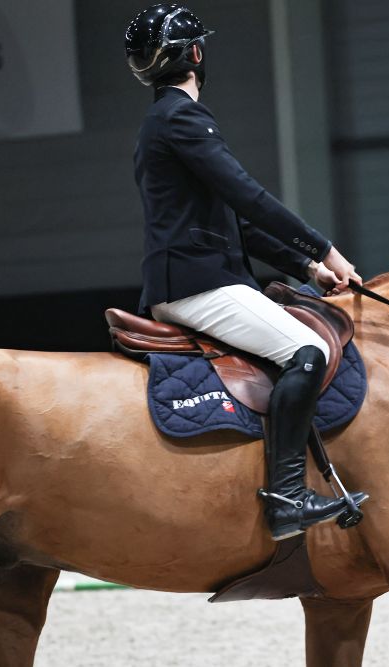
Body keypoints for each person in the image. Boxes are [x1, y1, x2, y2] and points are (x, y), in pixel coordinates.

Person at [124, 5, 366, 540]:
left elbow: (231, 222)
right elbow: (249, 197)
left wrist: (303, 266)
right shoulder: (182, 119)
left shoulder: (160, 123)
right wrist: (328, 250)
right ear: (196, 54)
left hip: (191, 277)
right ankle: (286, 498)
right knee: (309, 351)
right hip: (199, 285)